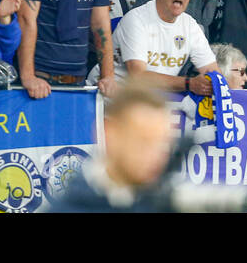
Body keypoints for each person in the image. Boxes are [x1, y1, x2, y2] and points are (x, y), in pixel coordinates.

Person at [50, 82, 175, 212]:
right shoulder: (69, 208)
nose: (154, 155)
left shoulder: (167, 204)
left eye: (162, 144)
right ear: (109, 133)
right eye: (143, 141)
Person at [110, 0, 219, 94]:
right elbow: (138, 77)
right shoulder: (136, 20)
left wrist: (216, 83)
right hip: (110, 99)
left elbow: (211, 70)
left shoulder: (190, 26)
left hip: (150, 100)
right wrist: (189, 83)